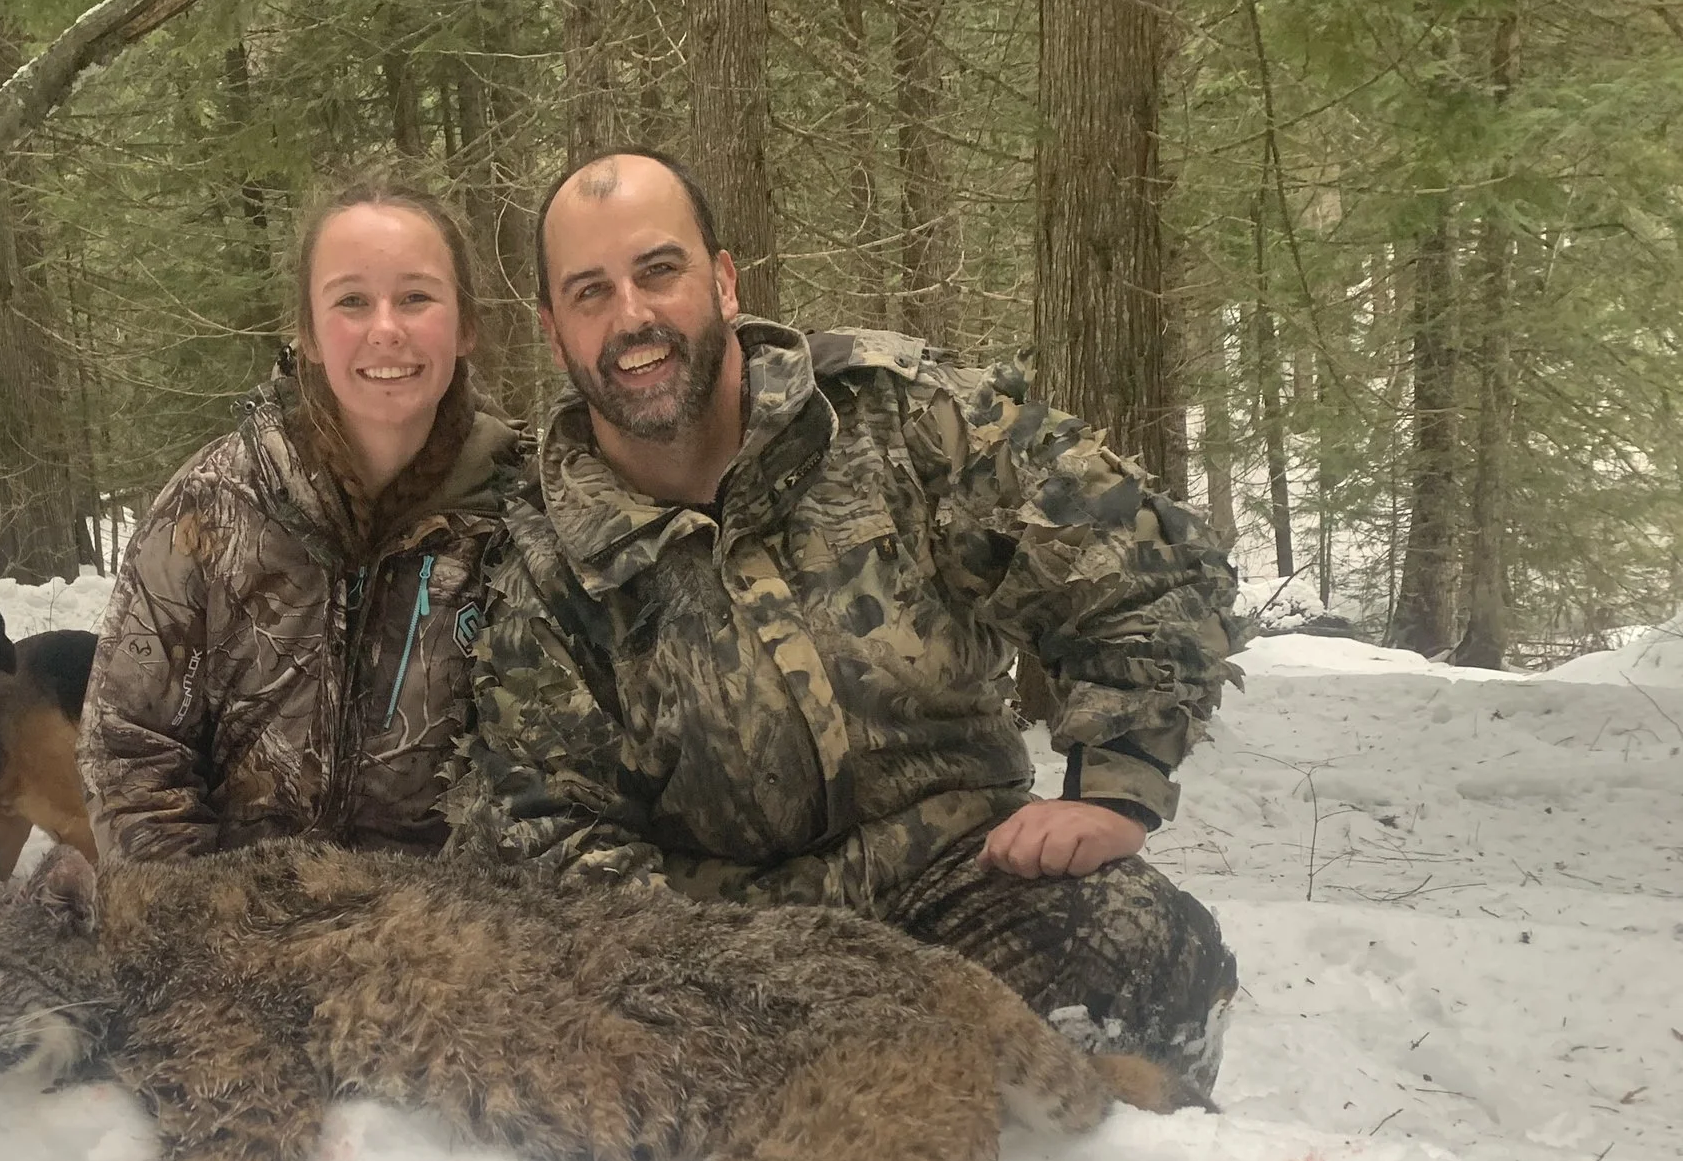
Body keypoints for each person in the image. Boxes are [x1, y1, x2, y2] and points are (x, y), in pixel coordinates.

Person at [454, 149, 1243, 1094]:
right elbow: (548, 839)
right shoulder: (543, 562)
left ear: (724, 278)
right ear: (554, 332)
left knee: (1147, 951)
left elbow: (1140, 556)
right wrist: (746, 985)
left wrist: (1116, 782)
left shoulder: (885, 415)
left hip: (966, 885)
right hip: (728, 961)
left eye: (659, 270)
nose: (632, 317)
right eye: (591, 292)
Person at [79, 176, 521, 862]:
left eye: (415, 297)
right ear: (307, 333)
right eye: (351, 300)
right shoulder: (212, 507)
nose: (385, 328)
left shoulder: (524, 513)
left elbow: (550, 779)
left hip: (445, 943)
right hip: (236, 931)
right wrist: (200, 928)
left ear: (466, 325)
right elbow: (129, 753)